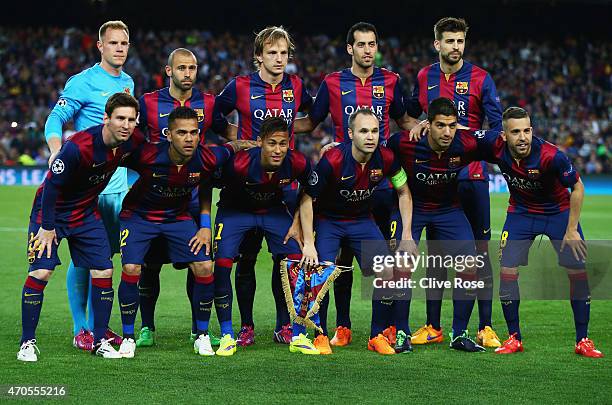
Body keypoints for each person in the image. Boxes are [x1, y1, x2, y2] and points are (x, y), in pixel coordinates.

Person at [293, 21, 416, 348]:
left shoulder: (391, 81)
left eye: (371, 44)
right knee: (333, 268)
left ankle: (386, 331)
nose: (367, 50)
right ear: (350, 48)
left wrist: (434, 128)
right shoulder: (332, 83)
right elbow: (311, 122)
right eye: (360, 44)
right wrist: (272, 131)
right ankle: (334, 329)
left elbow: (404, 121)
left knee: (389, 266)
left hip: (379, 188)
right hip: (338, 186)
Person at [116, 106, 251, 358]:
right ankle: (128, 337)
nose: (189, 139)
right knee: (132, 269)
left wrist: (253, 143)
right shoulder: (146, 155)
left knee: (204, 267)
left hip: (177, 218)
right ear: (168, 134)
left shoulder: (207, 157)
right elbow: (112, 156)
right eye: (182, 133)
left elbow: (234, 146)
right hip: (138, 218)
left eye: (194, 133)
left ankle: (201, 335)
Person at [18, 93, 143, 362]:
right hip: (50, 212)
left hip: (85, 212)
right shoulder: (79, 146)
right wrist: (48, 227)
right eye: (120, 118)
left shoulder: (132, 141)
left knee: (104, 268)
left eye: (131, 119)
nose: (126, 124)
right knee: (41, 271)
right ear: (106, 118)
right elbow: (51, 186)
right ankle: (27, 342)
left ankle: (100, 340)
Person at [405, 17, 503, 347]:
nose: (456, 47)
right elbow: (411, 114)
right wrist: (419, 123)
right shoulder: (424, 76)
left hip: (472, 177)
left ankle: (485, 326)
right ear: (438, 44)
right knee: (436, 255)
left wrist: (466, 133)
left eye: (460, 41)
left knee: (477, 254)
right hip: (436, 178)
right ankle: (433, 325)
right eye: (450, 41)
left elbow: (496, 129)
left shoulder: (481, 78)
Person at [212, 26, 313, 346]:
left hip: (281, 186)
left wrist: (286, 139)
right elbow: (214, 117)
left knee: (284, 259)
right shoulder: (240, 86)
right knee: (246, 259)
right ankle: (246, 326)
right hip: (245, 180)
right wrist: (237, 139)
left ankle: (285, 324)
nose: (279, 59)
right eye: (272, 52)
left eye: (284, 53)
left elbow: (313, 117)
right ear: (259, 56)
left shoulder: (296, 86)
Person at [475, 107, 603, 358]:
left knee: (577, 272)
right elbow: (467, 134)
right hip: (521, 213)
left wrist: (571, 230)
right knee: (507, 270)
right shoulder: (494, 145)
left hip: (558, 213)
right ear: (503, 136)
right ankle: (514, 338)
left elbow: (577, 187)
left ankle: (583, 340)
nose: (522, 137)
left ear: (532, 130)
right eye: (515, 132)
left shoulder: (551, 156)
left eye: (526, 130)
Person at [43, 20, 134, 350]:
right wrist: (56, 152)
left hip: (116, 184)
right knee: (84, 258)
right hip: (85, 187)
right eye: (113, 43)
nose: (120, 48)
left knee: (104, 258)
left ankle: (98, 326)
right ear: (100, 46)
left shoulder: (128, 82)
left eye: (124, 43)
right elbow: (55, 119)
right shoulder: (82, 82)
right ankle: (81, 327)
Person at [388, 97, 500, 352]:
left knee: (470, 263)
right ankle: (402, 333)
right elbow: (374, 155)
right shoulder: (404, 142)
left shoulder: (466, 142)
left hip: (448, 209)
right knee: (402, 263)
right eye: (440, 125)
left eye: (452, 125)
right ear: (428, 124)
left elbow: (499, 143)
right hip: (413, 209)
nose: (447, 132)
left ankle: (459, 334)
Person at [300, 108, 415, 355]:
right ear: (350, 134)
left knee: (388, 270)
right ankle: (319, 335)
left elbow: (404, 191)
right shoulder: (333, 160)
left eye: (374, 131)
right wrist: (309, 242)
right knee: (323, 274)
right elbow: (307, 198)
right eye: (364, 131)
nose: (370, 136)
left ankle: (376, 335)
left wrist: (406, 235)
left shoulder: (386, 157)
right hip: (329, 221)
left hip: (362, 220)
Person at [136, 48, 217, 348]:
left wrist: (254, 144)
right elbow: (132, 138)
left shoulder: (208, 103)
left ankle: (199, 330)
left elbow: (223, 132)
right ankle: (147, 327)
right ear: (169, 71)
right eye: (182, 67)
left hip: (193, 199)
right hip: (155, 199)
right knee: (149, 265)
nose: (188, 73)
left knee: (199, 265)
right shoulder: (148, 103)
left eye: (193, 68)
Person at [212, 117, 309, 355]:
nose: (278, 150)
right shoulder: (239, 165)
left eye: (283, 144)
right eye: (272, 143)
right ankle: (235, 331)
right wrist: (207, 223)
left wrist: (298, 223)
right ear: (259, 142)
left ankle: (290, 328)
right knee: (224, 263)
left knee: (294, 260)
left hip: (273, 211)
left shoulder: (297, 162)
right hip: (237, 212)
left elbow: (310, 190)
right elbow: (209, 184)